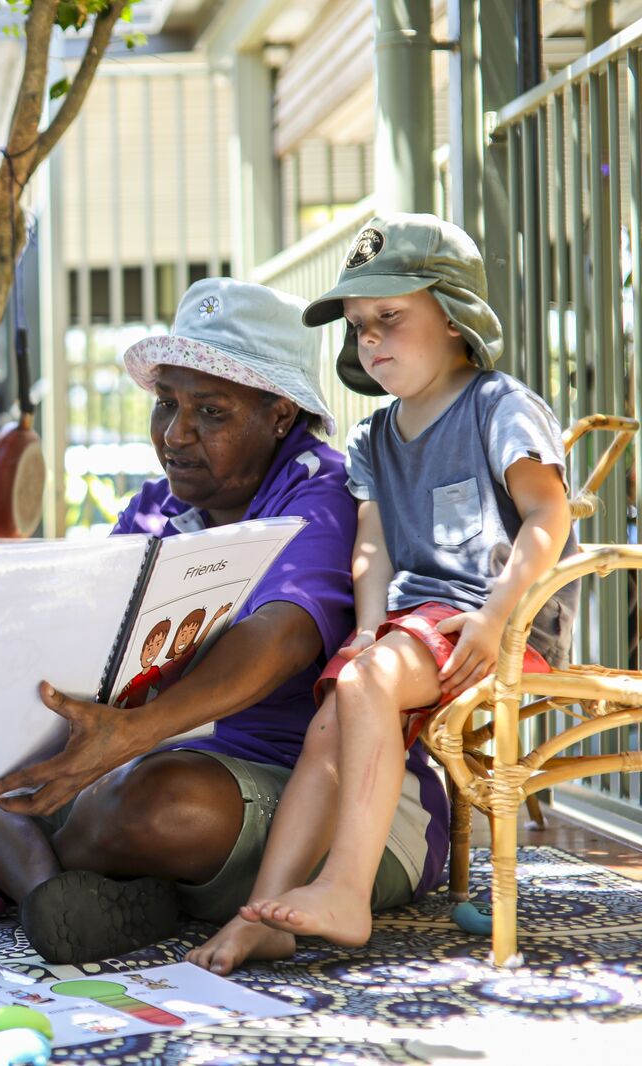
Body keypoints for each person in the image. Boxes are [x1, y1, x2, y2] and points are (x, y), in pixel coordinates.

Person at [0, 278, 450, 964]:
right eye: (167, 405)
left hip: (322, 801)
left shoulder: (325, 490)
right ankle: (50, 896)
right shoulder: (153, 507)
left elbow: (285, 635)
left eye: (211, 412)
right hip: (138, 766)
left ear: (279, 414)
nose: (177, 435)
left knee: (157, 802)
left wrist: (131, 735)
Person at [190, 214, 575, 972]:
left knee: (362, 682)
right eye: (360, 326)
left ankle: (345, 890)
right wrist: (366, 628)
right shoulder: (372, 441)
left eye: (389, 318)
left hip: (503, 620)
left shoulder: (498, 407)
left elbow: (547, 515)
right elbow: (371, 547)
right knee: (328, 719)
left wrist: (498, 615)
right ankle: (264, 911)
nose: (370, 340)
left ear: (456, 316)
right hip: (411, 629)